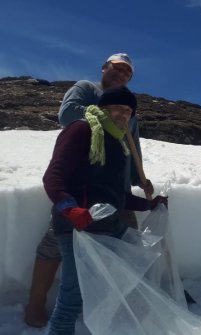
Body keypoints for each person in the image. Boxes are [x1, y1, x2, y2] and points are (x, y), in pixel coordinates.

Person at [24, 53, 153, 328]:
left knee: (128, 245)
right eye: (117, 68)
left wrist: (139, 180)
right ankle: (37, 304)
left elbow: (132, 147)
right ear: (104, 67)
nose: (121, 74)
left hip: (113, 188)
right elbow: (67, 115)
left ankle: (119, 303)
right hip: (81, 188)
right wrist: (103, 114)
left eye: (127, 72)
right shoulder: (87, 90)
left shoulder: (128, 110)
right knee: (55, 245)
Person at [43, 86, 168, 335]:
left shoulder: (117, 144)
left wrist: (148, 204)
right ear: (103, 108)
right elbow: (53, 178)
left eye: (128, 111)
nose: (123, 115)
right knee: (72, 296)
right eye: (118, 108)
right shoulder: (81, 130)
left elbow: (116, 195)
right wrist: (71, 209)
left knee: (136, 265)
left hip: (108, 226)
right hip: (76, 229)